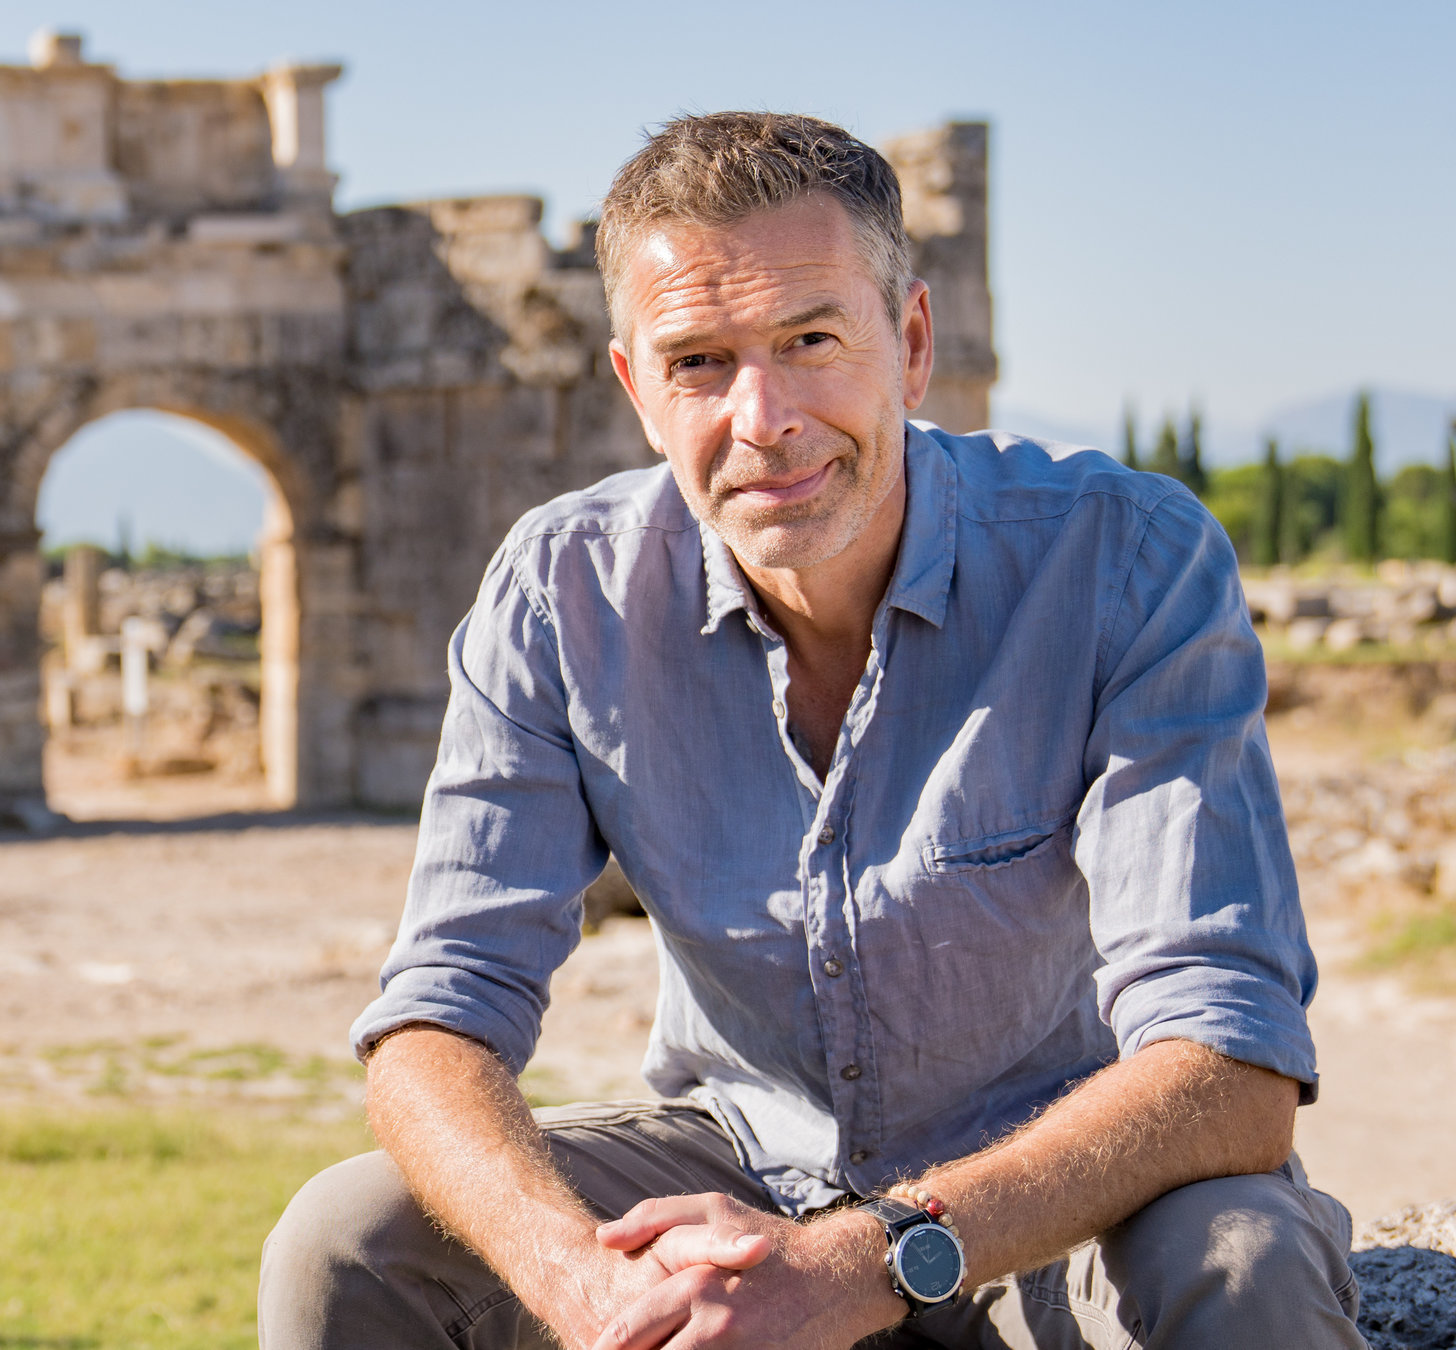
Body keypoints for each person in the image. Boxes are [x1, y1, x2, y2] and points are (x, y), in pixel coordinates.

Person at [258, 112, 1365, 1349]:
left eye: (812, 340)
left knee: (1239, 1253)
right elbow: (436, 1021)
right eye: (698, 361)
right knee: (344, 1243)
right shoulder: (562, 591)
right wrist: (583, 1284)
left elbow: (1230, 1063)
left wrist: (862, 1260)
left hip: (1060, 1201)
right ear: (634, 387)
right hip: (741, 1168)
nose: (763, 415)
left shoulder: (1123, 563)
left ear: (913, 343)